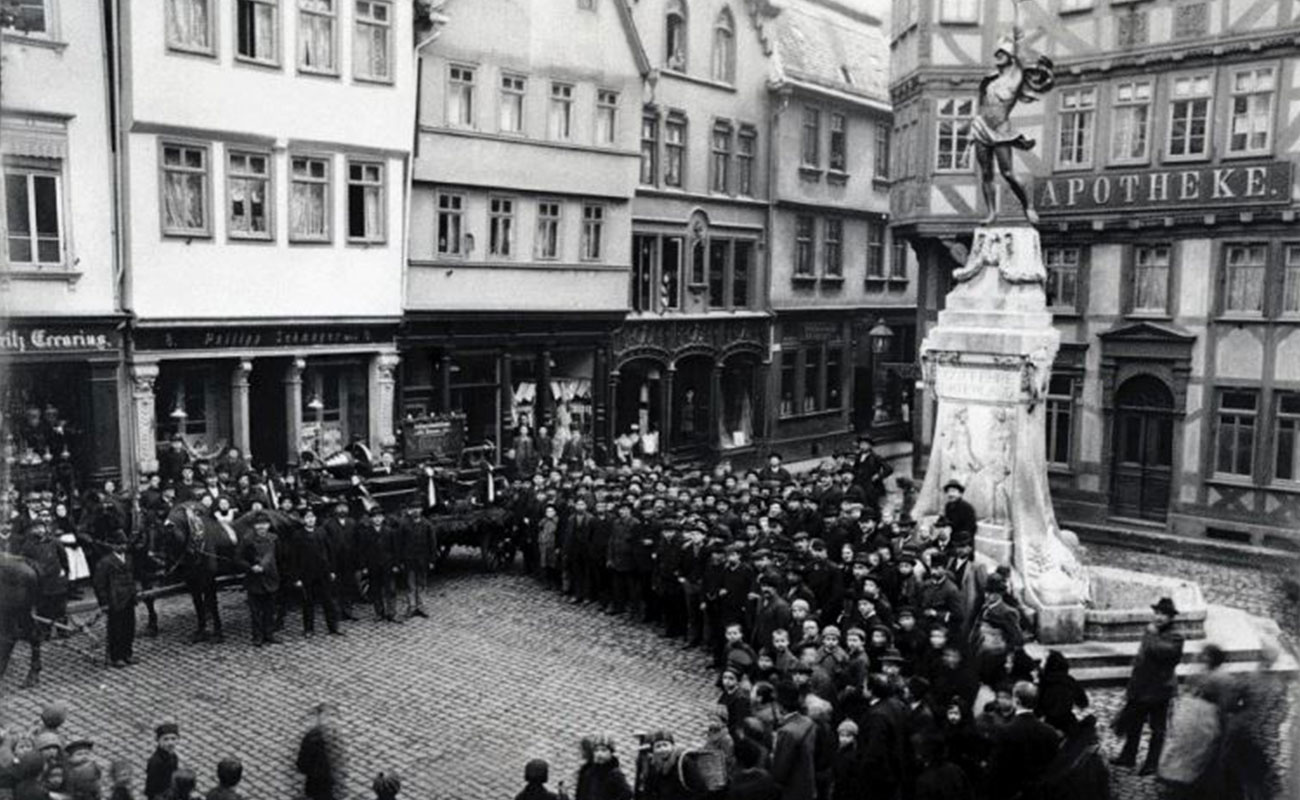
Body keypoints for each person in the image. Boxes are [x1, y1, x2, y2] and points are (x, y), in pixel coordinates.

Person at [972, 30, 1055, 224]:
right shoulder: (990, 80)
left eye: (1002, 53)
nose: (998, 56)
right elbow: (981, 105)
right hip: (981, 127)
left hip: (1001, 129)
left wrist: (1018, 35)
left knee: (1008, 173)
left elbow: (1020, 52)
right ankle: (991, 213)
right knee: (986, 173)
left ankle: (1028, 206)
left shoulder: (1015, 78)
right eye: (997, 53)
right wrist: (972, 130)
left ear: (1010, 57)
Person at [1112, 597, 1184, 775]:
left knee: (1157, 729)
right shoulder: (1151, 631)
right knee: (1134, 723)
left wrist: (1151, 635)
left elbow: (1161, 652)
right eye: (1157, 613)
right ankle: (1128, 756)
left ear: (1171, 617)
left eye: (1164, 614)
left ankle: (1152, 763)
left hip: (1160, 689)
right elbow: (1142, 659)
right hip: (1142, 687)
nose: (1159, 617)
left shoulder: (1175, 636)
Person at [988, 682, 1060, 799]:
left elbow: (997, 769)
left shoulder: (1005, 732)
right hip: (1042, 793)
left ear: (1016, 701)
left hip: (1013, 792)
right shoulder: (1050, 732)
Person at [92, 530, 138, 668]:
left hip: (128, 598)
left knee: (129, 627)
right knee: (116, 629)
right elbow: (99, 584)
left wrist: (134, 592)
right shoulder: (105, 562)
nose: (123, 547)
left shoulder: (128, 558)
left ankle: (127, 653)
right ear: (113, 546)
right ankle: (116, 656)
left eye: (124, 544)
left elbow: (132, 577)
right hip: (115, 600)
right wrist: (104, 603)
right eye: (119, 544)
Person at [294, 509, 341, 636]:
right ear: (303, 520)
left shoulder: (322, 532)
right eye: (307, 517)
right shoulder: (298, 535)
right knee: (308, 602)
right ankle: (309, 629)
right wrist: (297, 577)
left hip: (323, 572)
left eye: (312, 517)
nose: (310, 520)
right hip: (307, 574)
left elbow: (330, 552)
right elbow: (294, 558)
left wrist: (332, 570)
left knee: (328, 601)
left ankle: (333, 627)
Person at [236, 513, 281, 647]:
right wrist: (250, 567)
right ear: (254, 526)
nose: (262, 527)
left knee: (270, 609)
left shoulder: (274, 539)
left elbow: (280, 558)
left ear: (268, 525)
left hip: (271, 578)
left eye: (264, 524)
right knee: (256, 611)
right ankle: (257, 636)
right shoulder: (247, 540)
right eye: (258, 524)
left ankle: (269, 633)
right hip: (254, 580)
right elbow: (238, 558)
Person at [770, 682, 816, 800]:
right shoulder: (808, 722)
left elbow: (780, 771)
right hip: (808, 785)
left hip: (792, 790)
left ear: (780, 706)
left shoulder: (787, 732)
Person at [296, 704, 346, 800]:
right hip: (329, 787)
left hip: (315, 786)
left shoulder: (310, 738)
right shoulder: (337, 737)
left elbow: (301, 765)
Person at [574, 736, 631, 800]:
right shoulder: (588, 772)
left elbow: (626, 794)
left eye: (603, 750)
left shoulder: (615, 774)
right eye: (596, 750)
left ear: (611, 753)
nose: (599, 754)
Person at [144, 723, 180, 800]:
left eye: (173, 739)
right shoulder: (155, 762)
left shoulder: (174, 757)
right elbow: (151, 789)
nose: (170, 743)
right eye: (165, 739)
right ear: (158, 740)